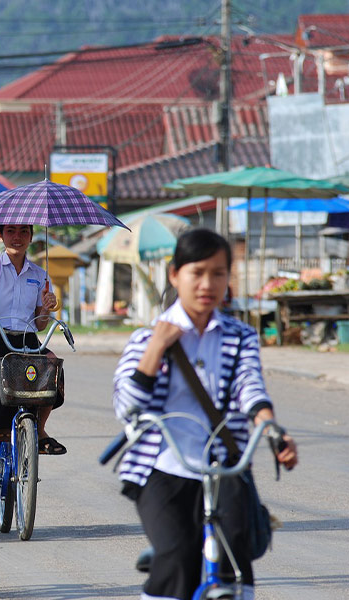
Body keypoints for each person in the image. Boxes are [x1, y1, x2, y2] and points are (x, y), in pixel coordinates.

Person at [112, 228, 298, 600]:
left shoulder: (240, 336)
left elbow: (251, 387)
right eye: (197, 272)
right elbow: (127, 405)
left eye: (218, 273)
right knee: (176, 557)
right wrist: (157, 348)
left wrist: (272, 430)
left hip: (225, 465)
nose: (207, 284)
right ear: (175, 275)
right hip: (162, 467)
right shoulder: (145, 337)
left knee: (235, 559)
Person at [0, 224, 64, 513]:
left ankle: (40, 431)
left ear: (31, 236)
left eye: (23, 232)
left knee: (52, 367)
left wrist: (47, 307)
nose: (16, 237)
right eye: (10, 232)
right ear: (1, 236)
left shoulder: (40, 275)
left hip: (28, 341)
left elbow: (41, 323)